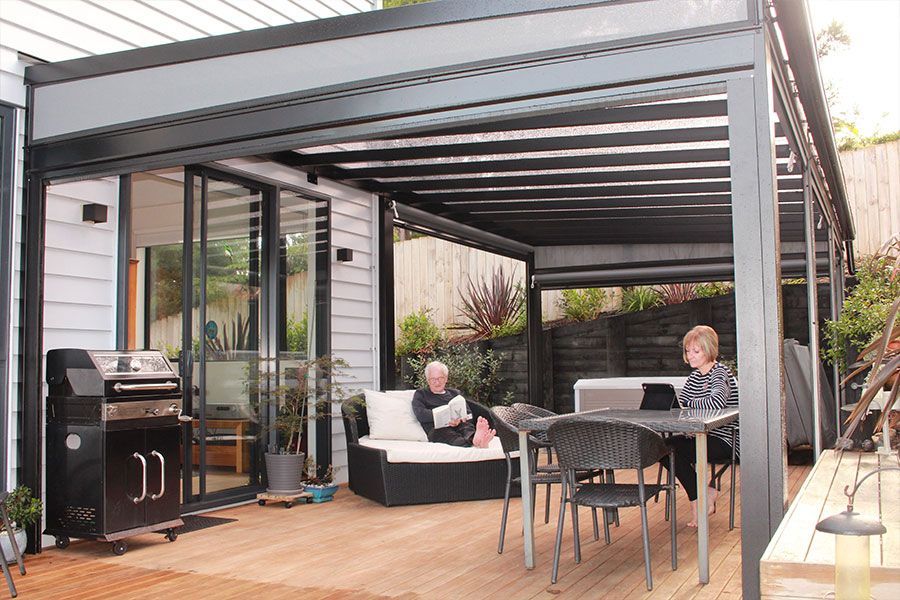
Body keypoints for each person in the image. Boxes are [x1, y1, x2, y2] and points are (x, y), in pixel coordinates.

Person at [663, 325, 740, 528]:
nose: (691, 355)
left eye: (696, 351)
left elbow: (715, 403)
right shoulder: (695, 377)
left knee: (671, 449)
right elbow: (685, 403)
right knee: (663, 447)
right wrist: (693, 404)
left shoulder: (720, 373)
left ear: (709, 350)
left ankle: (700, 501)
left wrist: (692, 402)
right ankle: (703, 494)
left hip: (726, 438)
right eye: (688, 351)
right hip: (701, 434)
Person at [411, 361, 496, 448]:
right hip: (438, 428)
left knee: (466, 427)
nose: (437, 382)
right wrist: (446, 418)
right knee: (445, 434)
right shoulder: (421, 394)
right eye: (433, 379)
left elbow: (469, 414)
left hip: (459, 424)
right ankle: (474, 442)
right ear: (428, 380)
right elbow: (420, 414)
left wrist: (459, 419)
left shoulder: (455, 393)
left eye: (440, 378)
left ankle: (475, 438)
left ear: (446, 378)